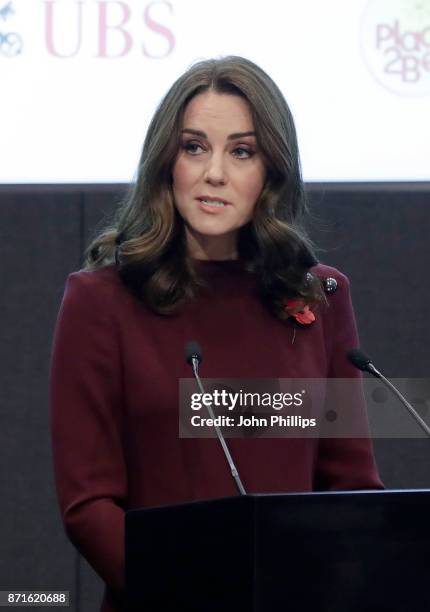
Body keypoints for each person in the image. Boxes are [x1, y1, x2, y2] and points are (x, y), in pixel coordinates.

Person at [49, 56, 383, 612]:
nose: (215, 174)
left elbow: (351, 486)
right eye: (194, 147)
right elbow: (88, 504)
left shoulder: (319, 298)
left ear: (271, 171)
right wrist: (189, 593)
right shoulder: (101, 301)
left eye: (242, 151)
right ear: (167, 162)